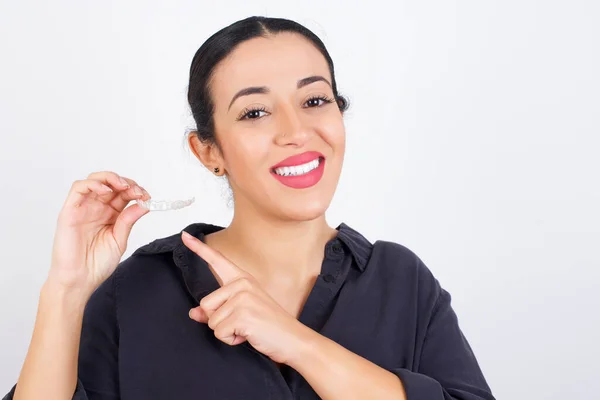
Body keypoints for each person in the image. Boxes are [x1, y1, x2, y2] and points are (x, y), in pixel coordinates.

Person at [4, 16, 495, 400]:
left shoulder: (403, 282)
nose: (296, 131)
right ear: (208, 151)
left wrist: (297, 342)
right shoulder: (137, 292)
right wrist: (66, 291)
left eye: (315, 100)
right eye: (255, 112)